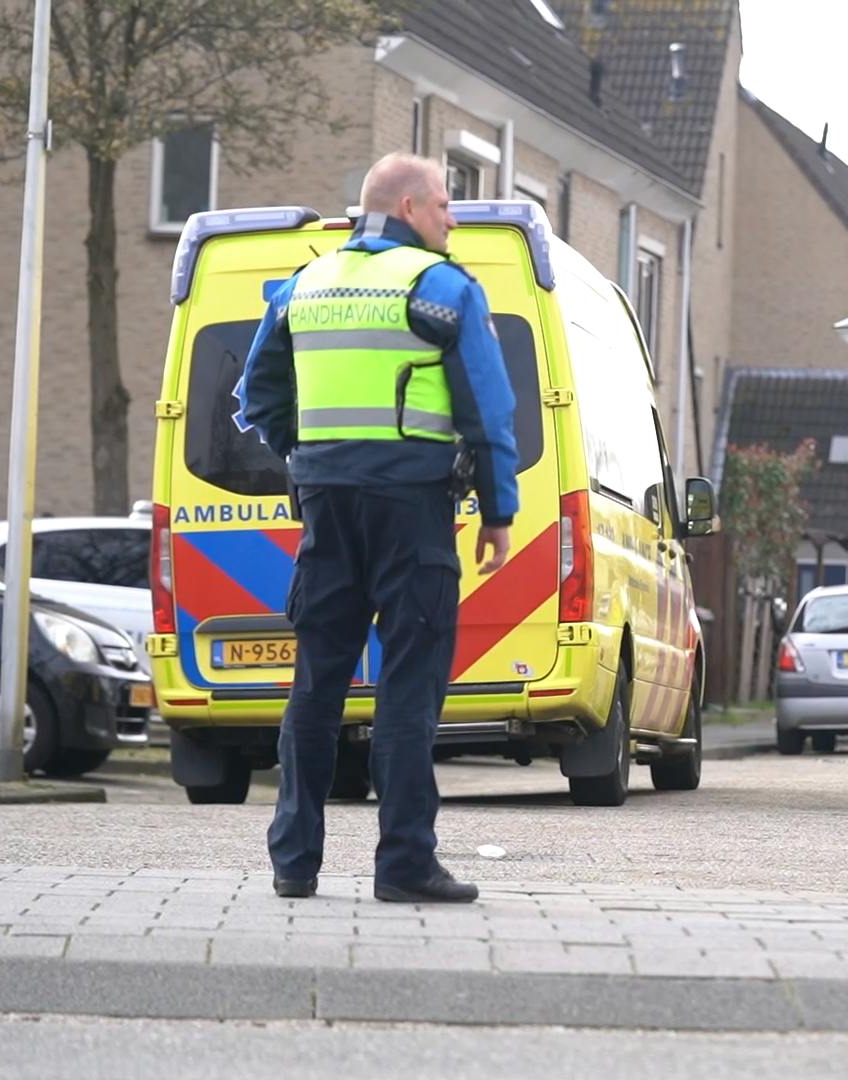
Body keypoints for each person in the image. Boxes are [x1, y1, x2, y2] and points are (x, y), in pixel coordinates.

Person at [240, 152, 520, 904]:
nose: (452, 220)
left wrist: (307, 459)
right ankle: (403, 864)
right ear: (405, 206)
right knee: (408, 686)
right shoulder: (440, 289)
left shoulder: (305, 287)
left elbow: (258, 395)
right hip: (413, 512)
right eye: (442, 206)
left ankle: (293, 862)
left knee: (316, 684)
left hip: (327, 509)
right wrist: (498, 509)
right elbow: (487, 413)